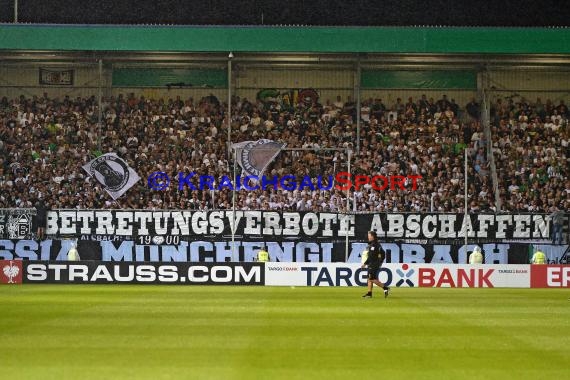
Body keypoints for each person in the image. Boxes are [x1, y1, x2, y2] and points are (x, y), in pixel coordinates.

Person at [361, 231, 390, 298]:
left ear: (372, 236)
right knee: (369, 278)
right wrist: (380, 262)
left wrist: (379, 262)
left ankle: (385, 288)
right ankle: (369, 293)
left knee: (371, 278)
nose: (368, 237)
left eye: (369, 236)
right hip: (372, 264)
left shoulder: (375, 245)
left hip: (373, 264)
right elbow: (382, 253)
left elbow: (373, 256)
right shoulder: (374, 244)